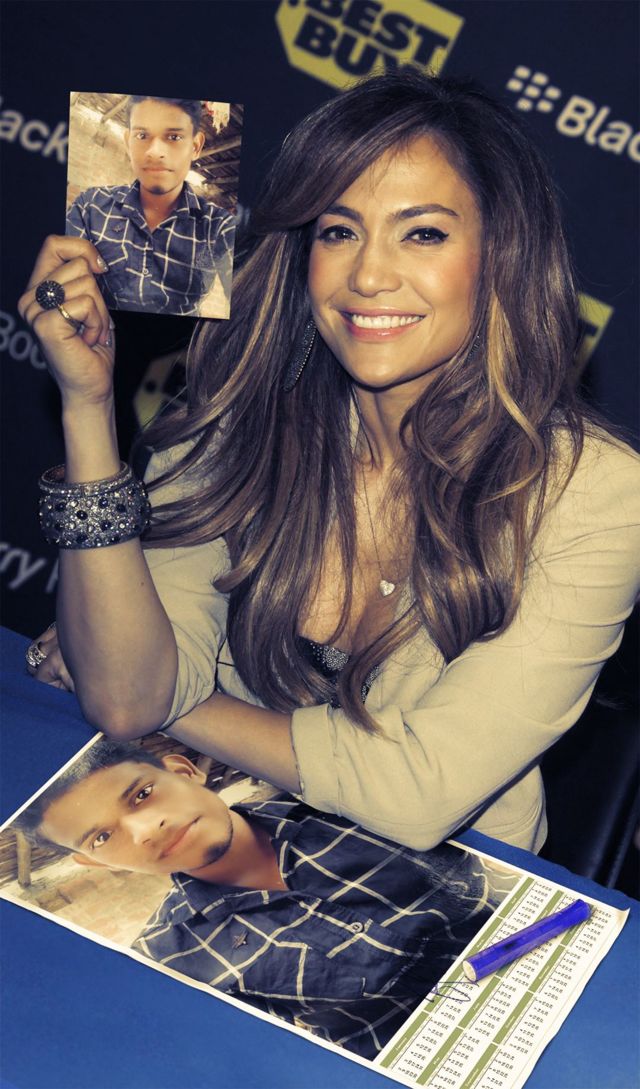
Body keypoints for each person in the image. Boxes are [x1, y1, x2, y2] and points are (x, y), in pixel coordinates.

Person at [19, 71, 640, 856]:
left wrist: (167, 699)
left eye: (423, 234)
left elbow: (420, 792)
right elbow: (124, 696)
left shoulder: (594, 494)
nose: (369, 276)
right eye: (339, 231)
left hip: (439, 891)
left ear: (501, 259)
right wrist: (86, 406)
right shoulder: (242, 412)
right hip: (211, 838)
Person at [15, 737, 498, 1059]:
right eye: (102, 838)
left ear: (185, 770)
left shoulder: (337, 799)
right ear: (96, 863)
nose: (146, 830)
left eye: (142, 795)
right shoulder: (170, 962)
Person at [66, 96, 236, 316]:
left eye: (174, 137)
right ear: (128, 142)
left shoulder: (219, 227)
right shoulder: (89, 206)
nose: (155, 151)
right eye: (142, 135)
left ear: (195, 146)